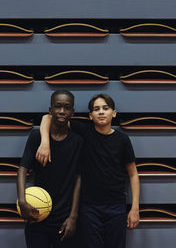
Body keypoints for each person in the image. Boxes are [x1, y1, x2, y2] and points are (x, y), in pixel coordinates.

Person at [36, 93, 140, 248]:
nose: (101, 112)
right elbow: (47, 118)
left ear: (114, 113)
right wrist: (44, 142)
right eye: (96, 109)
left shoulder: (123, 140)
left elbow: (133, 174)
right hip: (89, 208)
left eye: (106, 108)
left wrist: (135, 208)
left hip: (116, 206)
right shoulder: (84, 132)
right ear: (91, 116)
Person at [17, 90, 83, 248]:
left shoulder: (78, 141)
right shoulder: (36, 137)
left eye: (67, 107)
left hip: (64, 218)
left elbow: (78, 179)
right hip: (37, 215)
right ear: (50, 110)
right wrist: (22, 200)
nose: (61, 111)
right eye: (57, 106)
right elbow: (22, 170)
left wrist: (73, 217)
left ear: (72, 112)